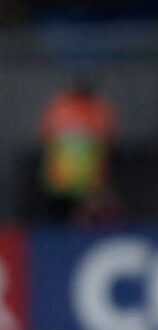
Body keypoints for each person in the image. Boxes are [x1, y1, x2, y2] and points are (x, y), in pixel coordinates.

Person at [35, 79, 122, 224]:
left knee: (88, 207)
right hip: (65, 173)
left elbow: (108, 136)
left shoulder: (93, 106)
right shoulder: (63, 105)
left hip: (84, 174)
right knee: (63, 209)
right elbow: (46, 134)